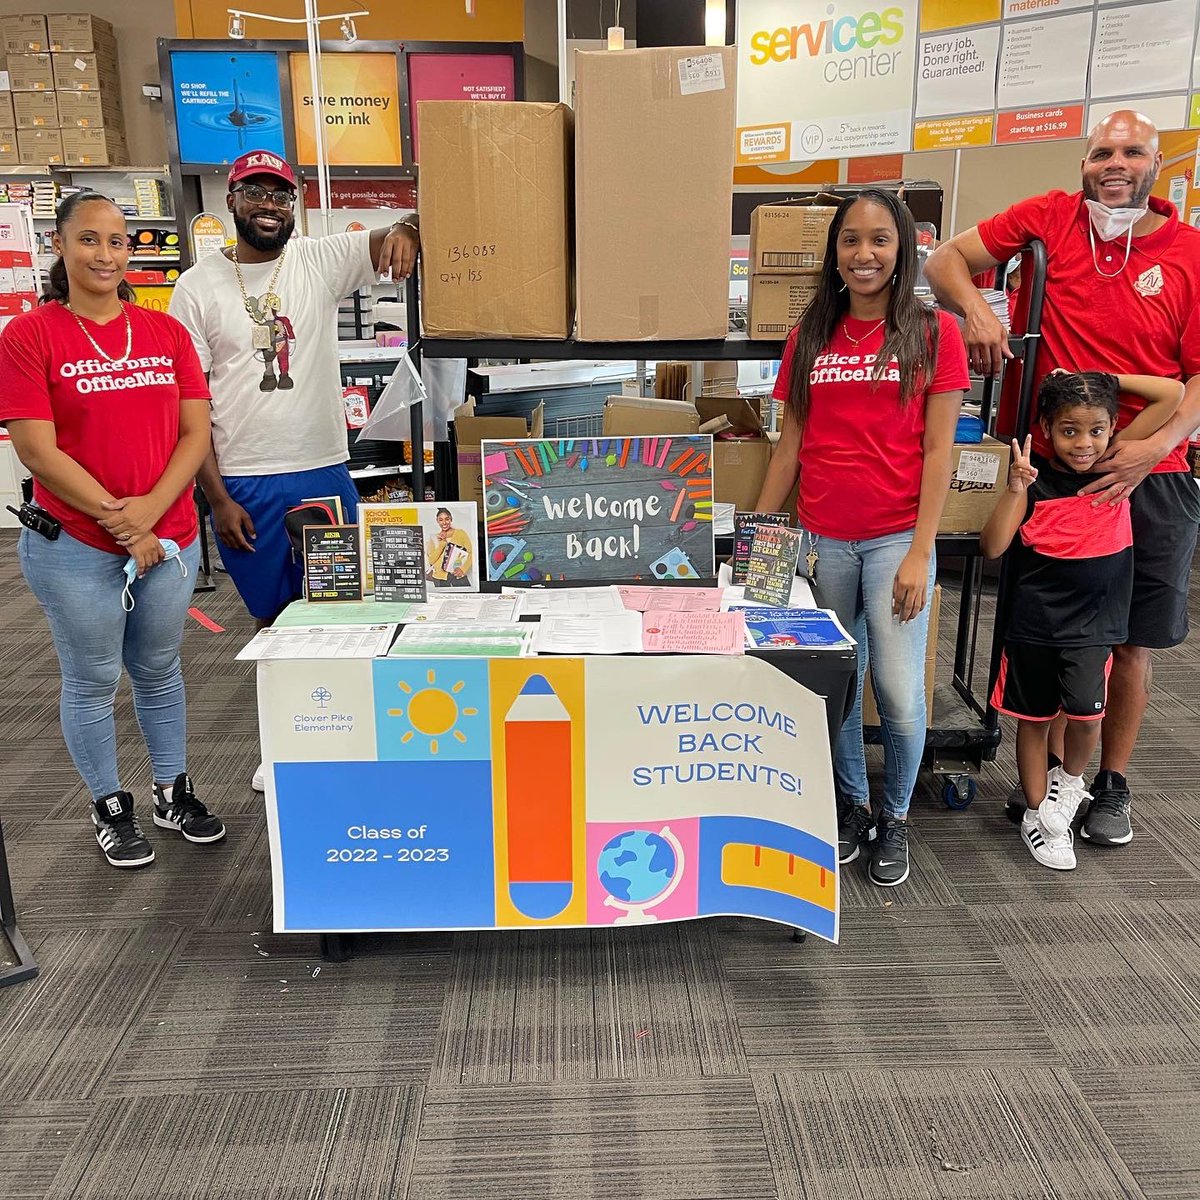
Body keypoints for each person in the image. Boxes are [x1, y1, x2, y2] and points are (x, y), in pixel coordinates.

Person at [926, 109, 1200, 845]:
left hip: (1152, 472)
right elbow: (943, 261)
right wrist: (978, 319)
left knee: (1129, 642)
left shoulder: (1188, 252)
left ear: (1157, 162)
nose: (1116, 164)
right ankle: (1041, 785)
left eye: (1133, 150)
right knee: (1041, 635)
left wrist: (1159, 443)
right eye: (1102, 152)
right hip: (1050, 467)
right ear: (1084, 164)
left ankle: (1108, 785)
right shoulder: (1049, 218)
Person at [168, 149, 420, 790]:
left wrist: (408, 233)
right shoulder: (196, 287)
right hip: (245, 480)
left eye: (280, 195)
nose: (269, 207)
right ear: (231, 202)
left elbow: (402, 227)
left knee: (342, 610)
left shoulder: (316, 258)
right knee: (271, 621)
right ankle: (283, 742)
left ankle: (348, 735)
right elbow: (189, 406)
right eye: (255, 194)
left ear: (294, 202)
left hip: (320, 469)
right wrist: (216, 499)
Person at [0, 191, 224, 869]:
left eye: (119, 241)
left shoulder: (164, 333)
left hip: (169, 537)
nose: (106, 254)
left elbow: (195, 433)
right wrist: (125, 525)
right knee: (93, 677)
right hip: (75, 545)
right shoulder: (30, 335)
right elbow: (37, 449)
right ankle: (109, 804)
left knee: (158, 671)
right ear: (61, 247)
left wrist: (151, 513)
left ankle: (171, 790)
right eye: (90, 240)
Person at [752, 189, 969, 888]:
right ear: (834, 253)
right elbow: (790, 446)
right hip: (819, 539)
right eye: (851, 241)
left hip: (895, 540)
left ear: (902, 247)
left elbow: (941, 453)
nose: (864, 254)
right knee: (834, 688)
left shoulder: (935, 334)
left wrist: (919, 552)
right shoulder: (810, 334)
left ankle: (896, 816)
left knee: (899, 693)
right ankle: (851, 803)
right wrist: (760, 536)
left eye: (879, 239)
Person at [982, 371, 1182, 870]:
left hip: (1096, 628)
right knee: (1033, 722)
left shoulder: (1114, 466)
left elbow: (1173, 394)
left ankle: (1068, 788)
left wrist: (1102, 379)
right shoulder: (1035, 481)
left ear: (1114, 428)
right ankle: (1037, 816)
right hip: (1034, 628)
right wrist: (1014, 489)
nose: (1084, 443)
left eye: (1097, 430)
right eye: (1069, 431)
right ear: (1047, 429)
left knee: (1087, 717)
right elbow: (993, 547)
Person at [426, 507, 473, 588]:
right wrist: (442, 544)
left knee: (464, 598)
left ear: (451, 519)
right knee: (441, 600)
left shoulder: (460, 533)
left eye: (447, 519)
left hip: (457, 574)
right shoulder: (433, 538)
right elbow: (431, 560)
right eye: (441, 520)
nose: (444, 522)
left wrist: (463, 569)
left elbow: (471, 553)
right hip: (439, 577)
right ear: (437, 521)